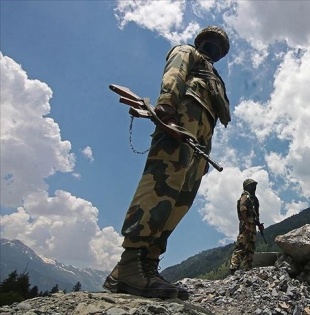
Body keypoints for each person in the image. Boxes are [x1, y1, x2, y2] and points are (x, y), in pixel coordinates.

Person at [103, 26, 231, 300]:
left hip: (198, 143)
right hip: (177, 125)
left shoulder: (215, 78)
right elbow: (175, 74)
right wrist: (166, 108)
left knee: (179, 201)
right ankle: (130, 262)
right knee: (160, 188)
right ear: (202, 41)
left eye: (221, 45)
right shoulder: (188, 52)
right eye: (213, 41)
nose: (215, 47)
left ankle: (147, 266)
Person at [229, 178, 264, 274]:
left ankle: (247, 268)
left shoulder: (253, 199)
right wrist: (247, 224)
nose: (254, 187)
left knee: (250, 248)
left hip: (252, 225)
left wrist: (259, 225)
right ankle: (234, 267)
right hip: (246, 225)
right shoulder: (245, 196)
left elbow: (255, 214)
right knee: (241, 245)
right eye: (252, 185)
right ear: (247, 186)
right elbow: (243, 209)